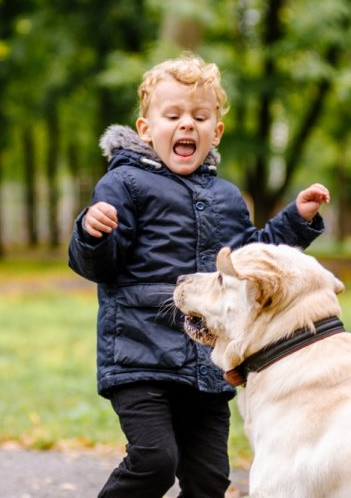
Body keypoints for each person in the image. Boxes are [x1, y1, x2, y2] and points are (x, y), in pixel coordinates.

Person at [68, 53, 330, 498]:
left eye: (200, 116)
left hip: (208, 365)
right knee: (155, 461)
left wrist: (296, 220)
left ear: (216, 132)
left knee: (209, 479)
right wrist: (92, 234)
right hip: (140, 358)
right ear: (146, 130)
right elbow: (100, 267)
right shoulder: (125, 184)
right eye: (173, 115)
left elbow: (250, 258)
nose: (187, 124)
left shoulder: (227, 196)